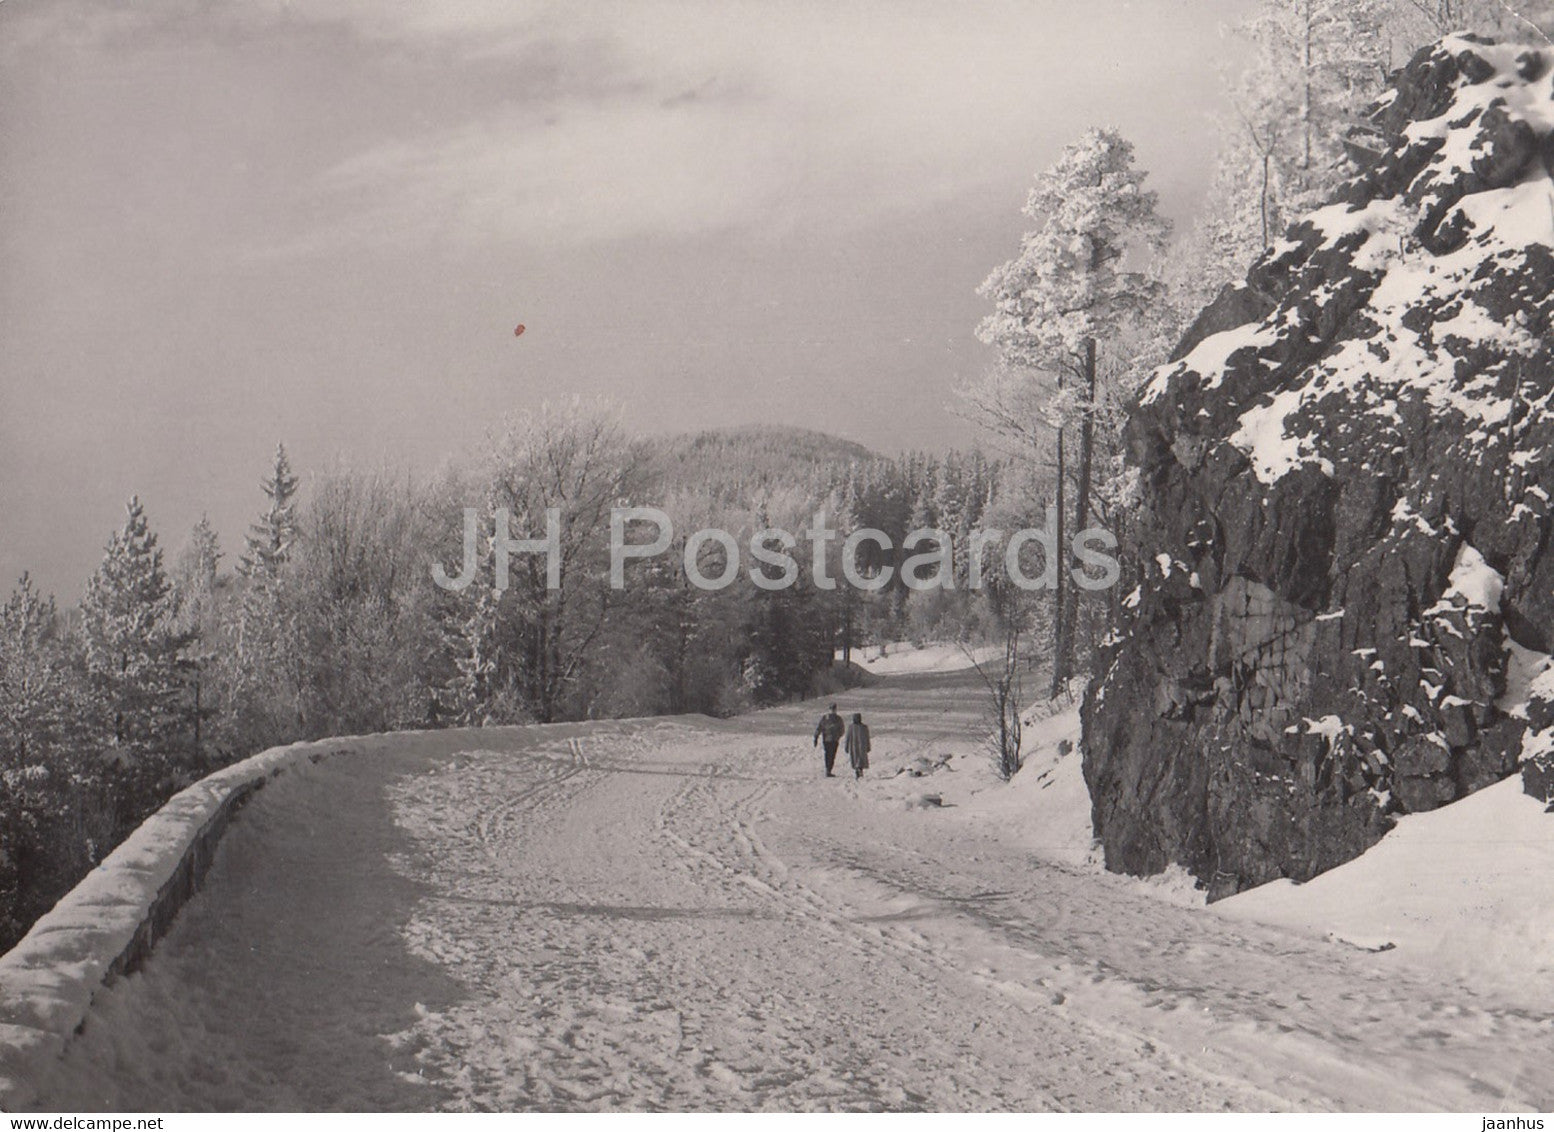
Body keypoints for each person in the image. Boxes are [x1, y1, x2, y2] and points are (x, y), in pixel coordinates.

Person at [813, 703, 845, 777]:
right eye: (832, 709)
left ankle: (828, 769)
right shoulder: (835, 718)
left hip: (829, 739)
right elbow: (842, 730)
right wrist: (838, 736)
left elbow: (819, 727)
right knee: (831, 755)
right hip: (831, 740)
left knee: (829, 755)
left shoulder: (829, 718)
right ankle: (828, 769)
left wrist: (816, 737)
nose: (833, 710)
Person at [844, 712, 870, 780]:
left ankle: (858, 770)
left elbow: (848, 738)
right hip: (860, 746)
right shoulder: (863, 727)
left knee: (857, 760)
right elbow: (867, 738)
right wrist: (868, 746)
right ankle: (859, 770)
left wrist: (846, 746)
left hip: (854, 746)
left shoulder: (851, 727)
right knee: (859, 760)